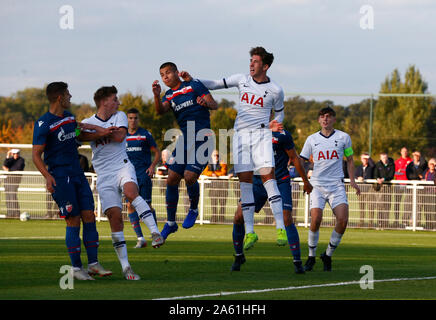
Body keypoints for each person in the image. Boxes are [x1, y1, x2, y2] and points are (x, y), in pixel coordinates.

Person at [182, 47, 289, 271]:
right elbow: (215, 83)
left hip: (261, 136)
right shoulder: (241, 80)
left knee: (269, 177)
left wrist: (274, 125)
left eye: (256, 61)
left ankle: (281, 228)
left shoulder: (275, 90)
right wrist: (193, 81)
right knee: (245, 185)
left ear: (265, 66)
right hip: (240, 137)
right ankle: (250, 233)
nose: (251, 64)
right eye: (250, 60)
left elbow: (279, 113)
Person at [81, 85, 164, 281]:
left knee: (131, 193)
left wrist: (94, 132)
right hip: (103, 174)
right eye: (115, 99)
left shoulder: (119, 116)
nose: (118, 102)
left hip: (122, 166)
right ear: (104, 102)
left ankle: (155, 232)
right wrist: (100, 130)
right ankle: (126, 267)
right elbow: (79, 135)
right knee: (115, 217)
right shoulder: (88, 121)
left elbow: (119, 136)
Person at [32, 82, 112, 281]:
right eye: (68, 93)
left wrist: (100, 133)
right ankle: (76, 268)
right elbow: (36, 155)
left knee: (89, 216)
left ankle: (93, 264)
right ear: (59, 97)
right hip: (60, 177)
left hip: (78, 174)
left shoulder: (69, 118)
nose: (70, 96)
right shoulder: (44, 124)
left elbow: (75, 135)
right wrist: (48, 176)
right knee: (73, 219)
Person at [231, 126, 313, 273]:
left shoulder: (281, 134)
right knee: (238, 217)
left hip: (279, 181)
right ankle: (238, 256)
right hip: (257, 182)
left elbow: (294, 158)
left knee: (287, 219)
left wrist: (306, 181)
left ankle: (297, 261)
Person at [152, 62, 218, 240]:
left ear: (176, 73)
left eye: (168, 73)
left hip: (203, 138)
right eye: (162, 74)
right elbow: (160, 111)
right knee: (171, 179)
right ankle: (171, 223)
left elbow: (215, 104)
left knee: (189, 176)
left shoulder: (193, 85)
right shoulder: (169, 94)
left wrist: (205, 102)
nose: (165, 77)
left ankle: (194, 209)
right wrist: (156, 96)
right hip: (185, 139)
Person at [300, 106, 360, 272]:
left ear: (334, 119)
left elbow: (350, 160)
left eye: (328, 116)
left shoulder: (344, 137)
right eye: (322, 117)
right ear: (319, 120)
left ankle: (327, 254)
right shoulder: (311, 139)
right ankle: (311, 256)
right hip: (317, 185)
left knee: (343, 220)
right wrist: (306, 181)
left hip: (337, 185)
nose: (325, 119)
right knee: (316, 218)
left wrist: (353, 181)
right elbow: (301, 160)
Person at [125, 108, 161, 249]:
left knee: (147, 206)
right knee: (130, 205)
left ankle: (156, 234)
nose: (133, 121)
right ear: (127, 119)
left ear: (139, 120)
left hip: (143, 175)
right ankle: (140, 238)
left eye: (135, 118)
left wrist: (152, 166)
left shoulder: (145, 134)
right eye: (130, 118)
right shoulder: (122, 136)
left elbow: (157, 152)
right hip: (129, 176)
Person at [201, 150, 228, 223]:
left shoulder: (222, 163)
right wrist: (212, 174)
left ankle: (222, 219)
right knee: (213, 203)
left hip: (223, 187)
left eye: (217, 155)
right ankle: (214, 217)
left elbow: (223, 172)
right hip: (213, 187)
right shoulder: (209, 164)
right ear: (211, 156)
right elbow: (205, 172)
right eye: (214, 155)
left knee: (222, 204)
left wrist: (215, 174)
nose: (216, 157)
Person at [406, 151, 428, 226]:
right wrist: (418, 176)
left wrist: (420, 156)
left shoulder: (423, 164)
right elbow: (409, 176)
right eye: (415, 155)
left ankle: (416, 222)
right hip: (411, 187)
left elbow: (424, 167)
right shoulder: (410, 165)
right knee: (408, 204)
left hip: (420, 187)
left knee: (418, 205)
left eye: (418, 155)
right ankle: (406, 221)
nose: (416, 156)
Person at [374, 152, 395, 228]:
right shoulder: (378, 165)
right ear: (380, 158)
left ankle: (385, 223)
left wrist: (384, 179)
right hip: (380, 187)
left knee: (387, 205)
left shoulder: (391, 164)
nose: (384, 159)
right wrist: (377, 179)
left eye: (386, 157)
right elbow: (375, 174)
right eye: (383, 158)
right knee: (380, 205)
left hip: (388, 187)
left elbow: (391, 175)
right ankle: (379, 222)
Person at [355, 152, 376, 227]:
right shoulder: (359, 167)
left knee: (370, 206)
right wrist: (358, 178)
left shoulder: (371, 166)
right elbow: (355, 175)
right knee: (361, 206)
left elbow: (373, 165)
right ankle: (361, 221)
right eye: (363, 158)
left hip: (369, 188)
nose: (365, 160)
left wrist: (369, 157)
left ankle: (371, 222)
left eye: (366, 159)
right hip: (361, 188)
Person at [2, 149, 25, 217]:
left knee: (13, 196)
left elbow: (17, 168)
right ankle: (10, 213)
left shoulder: (21, 160)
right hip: (7, 180)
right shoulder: (11, 159)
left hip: (15, 181)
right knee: (8, 197)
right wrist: (7, 156)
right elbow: (5, 164)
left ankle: (16, 213)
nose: (15, 155)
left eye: (17, 153)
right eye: (14, 153)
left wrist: (8, 170)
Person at [394, 147, 412, 227]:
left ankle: (405, 220)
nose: (404, 152)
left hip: (408, 185)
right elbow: (394, 173)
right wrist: (401, 173)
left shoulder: (411, 161)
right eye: (403, 151)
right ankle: (396, 220)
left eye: (406, 151)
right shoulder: (397, 161)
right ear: (401, 152)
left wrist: (401, 172)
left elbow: (410, 173)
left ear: (407, 152)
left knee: (408, 203)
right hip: (399, 184)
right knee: (397, 203)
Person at [422, 158, 436, 230]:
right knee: (426, 210)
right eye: (431, 164)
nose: (432, 165)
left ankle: (434, 225)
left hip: (434, 194)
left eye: (433, 164)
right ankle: (428, 224)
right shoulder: (426, 172)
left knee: (433, 210)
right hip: (426, 193)